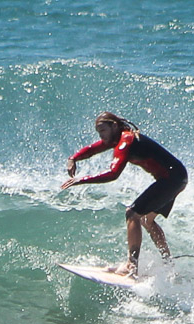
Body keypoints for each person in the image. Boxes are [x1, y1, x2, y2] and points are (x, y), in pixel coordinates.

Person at [61, 111, 187, 276]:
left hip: (172, 179)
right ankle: (168, 263)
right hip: (176, 177)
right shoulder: (116, 139)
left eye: (103, 131)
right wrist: (73, 158)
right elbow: (93, 148)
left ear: (114, 126)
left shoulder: (127, 140)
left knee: (132, 214)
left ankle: (131, 266)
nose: (101, 136)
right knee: (146, 220)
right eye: (99, 133)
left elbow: (113, 174)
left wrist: (81, 180)